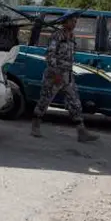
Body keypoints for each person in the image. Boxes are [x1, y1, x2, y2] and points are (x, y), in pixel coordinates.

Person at [31, 11, 99, 142]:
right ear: (66, 22)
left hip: (67, 75)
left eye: (75, 21)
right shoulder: (57, 36)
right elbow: (50, 56)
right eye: (72, 21)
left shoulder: (72, 37)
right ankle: (36, 125)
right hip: (54, 75)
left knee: (75, 102)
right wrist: (56, 73)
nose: (75, 23)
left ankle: (81, 131)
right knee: (45, 100)